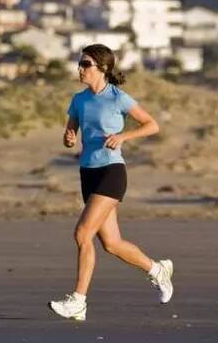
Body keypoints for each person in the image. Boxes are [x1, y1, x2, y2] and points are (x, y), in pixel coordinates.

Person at [48, 44, 174, 321]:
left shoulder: (118, 98)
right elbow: (71, 130)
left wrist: (123, 137)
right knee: (112, 244)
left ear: (102, 68)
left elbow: (152, 124)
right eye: (80, 63)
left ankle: (78, 301)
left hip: (112, 172)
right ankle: (157, 270)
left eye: (86, 64)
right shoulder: (78, 100)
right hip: (88, 173)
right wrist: (69, 137)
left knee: (82, 234)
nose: (80, 69)